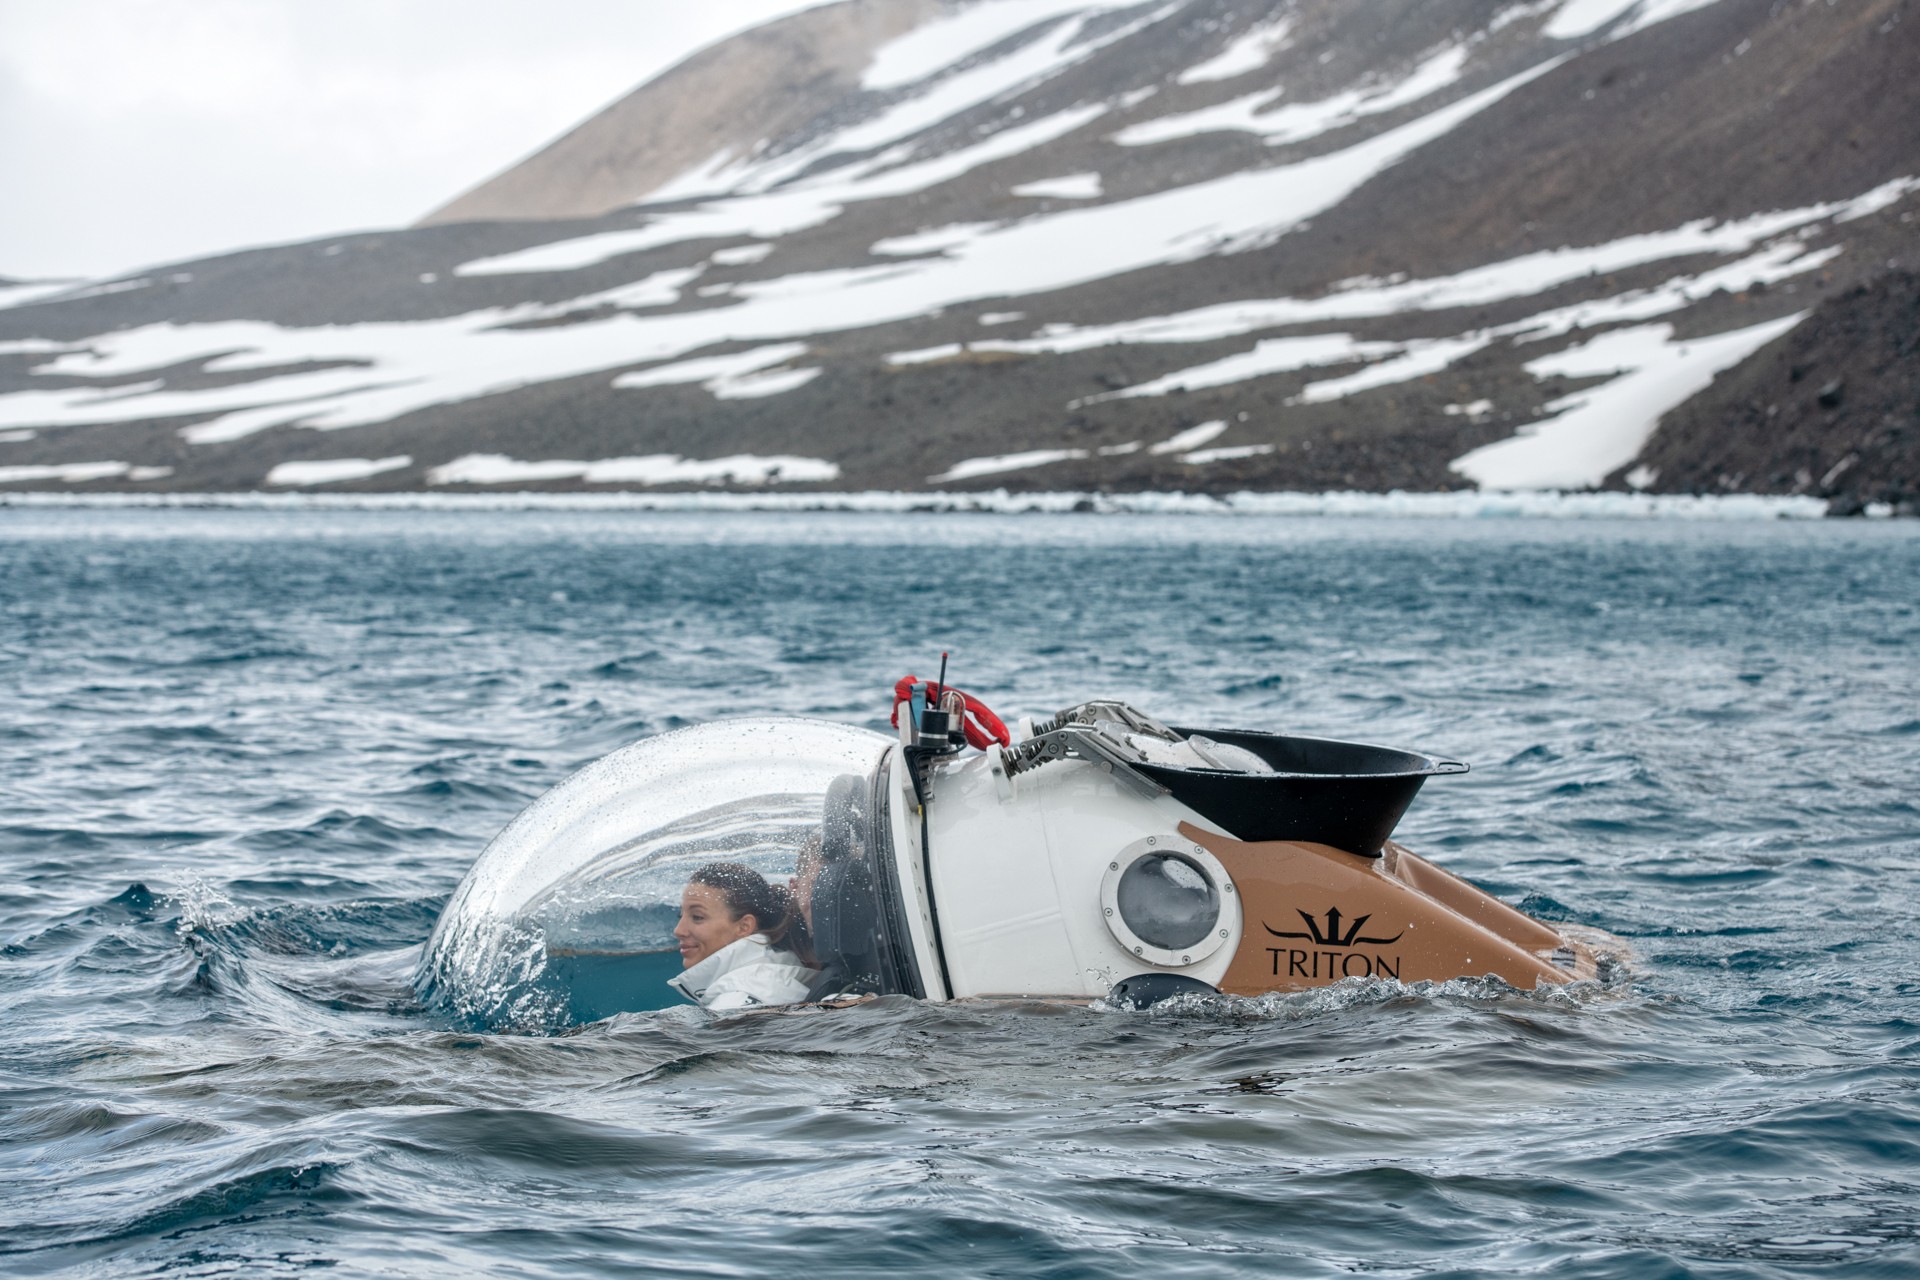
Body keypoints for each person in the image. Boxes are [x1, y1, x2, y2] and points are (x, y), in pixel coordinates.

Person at [668, 861, 820, 1012]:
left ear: (744, 926)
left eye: (697, 917)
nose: (678, 930)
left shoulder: (738, 999)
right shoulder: (770, 975)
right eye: (680, 915)